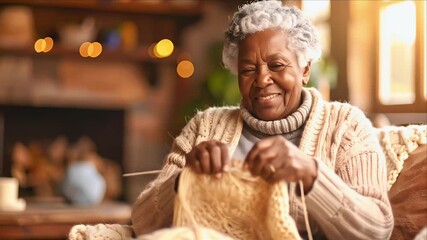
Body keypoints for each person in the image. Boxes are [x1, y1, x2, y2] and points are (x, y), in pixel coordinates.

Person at [131, 1, 394, 239]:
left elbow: (377, 229)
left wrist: (312, 174)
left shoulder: (345, 125)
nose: (262, 79)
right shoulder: (206, 127)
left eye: (277, 65)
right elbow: (142, 223)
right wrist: (183, 181)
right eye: (247, 70)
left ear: (305, 69)